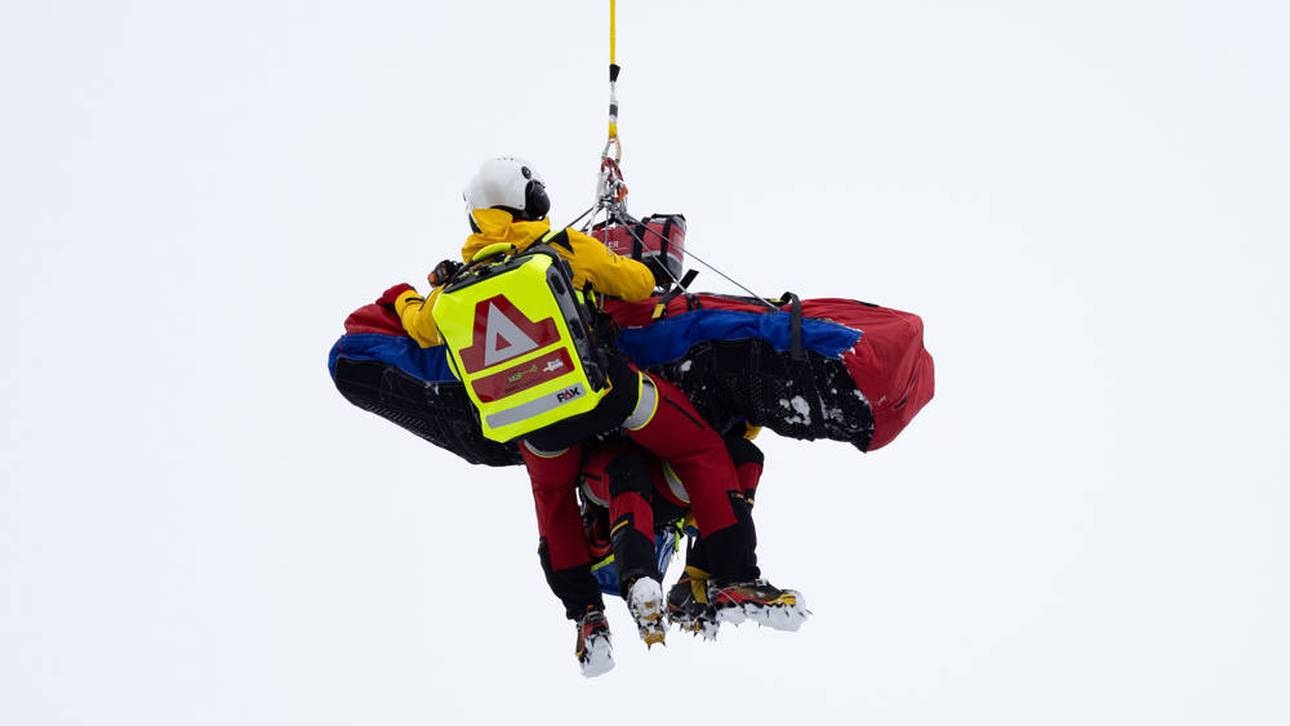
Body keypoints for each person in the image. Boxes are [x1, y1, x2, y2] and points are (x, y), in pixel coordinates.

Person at [386, 157, 782, 676]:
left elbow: (418, 325)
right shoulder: (564, 249)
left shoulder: (453, 289)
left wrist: (404, 298)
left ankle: (586, 618)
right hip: (603, 394)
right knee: (702, 448)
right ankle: (734, 575)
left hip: (531, 425)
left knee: (553, 502)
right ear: (534, 202)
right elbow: (638, 284)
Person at [576, 425, 809, 646]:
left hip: (659, 471)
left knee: (742, 456)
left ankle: (708, 580)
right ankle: (643, 584)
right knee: (629, 467)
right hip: (611, 475)